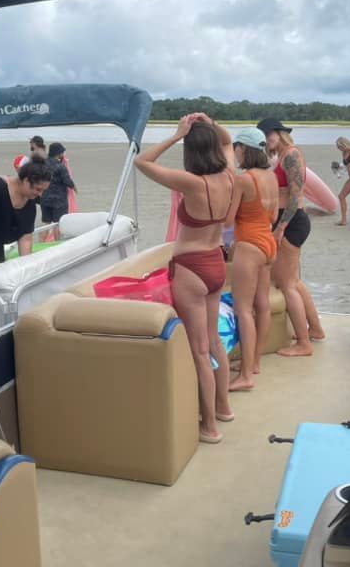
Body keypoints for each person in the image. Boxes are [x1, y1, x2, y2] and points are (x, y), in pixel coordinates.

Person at [136, 113, 235, 444]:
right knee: (215, 341)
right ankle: (223, 407)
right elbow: (228, 141)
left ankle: (209, 426)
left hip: (191, 267)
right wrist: (211, 123)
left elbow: (142, 161)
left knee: (199, 349)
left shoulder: (192, 183)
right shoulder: (230, 177)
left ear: (191, 151)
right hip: (217, 262)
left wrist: (176, 135)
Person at [257, 118, 325, 356]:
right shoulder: (281, 155)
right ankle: (315, 329)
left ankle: (304, 343)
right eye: (264, 136)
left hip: (292, 221)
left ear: (280, 133)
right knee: (293, 281)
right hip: (287, 221)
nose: (267, 139)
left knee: (286, 285)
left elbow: (296, 197)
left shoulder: (292, 155)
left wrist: (280, 227)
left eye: (269, 134)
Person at [225, 127, 278, 392]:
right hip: (268, 243)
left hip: (250, 244)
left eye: (236, 148)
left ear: (244, 149)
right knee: (262, 305)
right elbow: (273, 215)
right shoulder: (270, 176)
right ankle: (254, 362)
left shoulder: (244, 179)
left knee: (242, 309)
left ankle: (246, 375)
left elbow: (227, 218)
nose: (234, 152)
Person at [40, 142, 77, 227]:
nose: (63, 154)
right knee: (58, 223)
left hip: (45, 198)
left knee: (46, 223)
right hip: (58, 201)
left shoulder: (42, 164)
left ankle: (41, 240)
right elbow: (67, 181)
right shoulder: (60, 166)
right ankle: (57, 240)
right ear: (58, 153)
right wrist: (74, 187)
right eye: (62, 152)